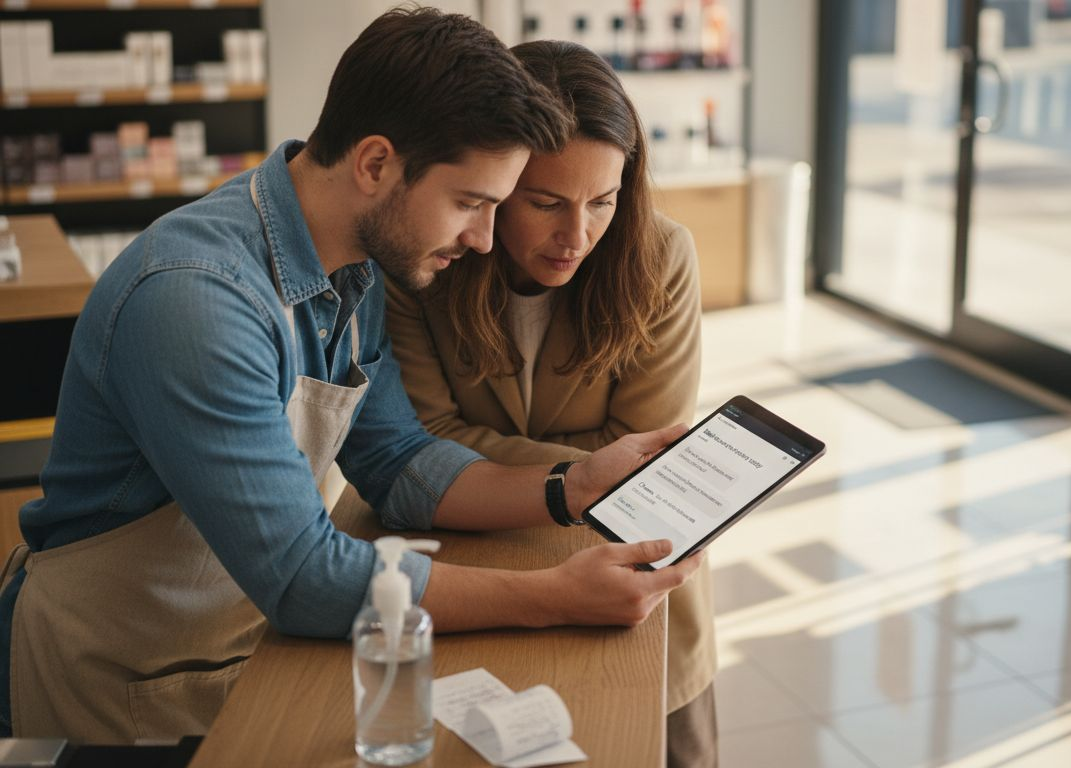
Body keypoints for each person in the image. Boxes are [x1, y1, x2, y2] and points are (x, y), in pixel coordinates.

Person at [0, 9, 702, 744]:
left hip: (242, 650)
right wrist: (551, 597)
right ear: (375, 164)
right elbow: (304, 576)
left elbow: (400, 462)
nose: (485, 240)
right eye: (470, 203)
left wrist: (570, 486)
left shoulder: (356, 268)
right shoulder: (195, 299)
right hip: (118, 683)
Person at [382, 40, 717, 767]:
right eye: (545, 204)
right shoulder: (426, 257)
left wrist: (478, 455)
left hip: (632, 575)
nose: (578, 237)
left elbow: (642, 448)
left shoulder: (660, 256)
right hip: (478, 568)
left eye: (603, 202)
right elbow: (422, 435)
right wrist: (585, 465)